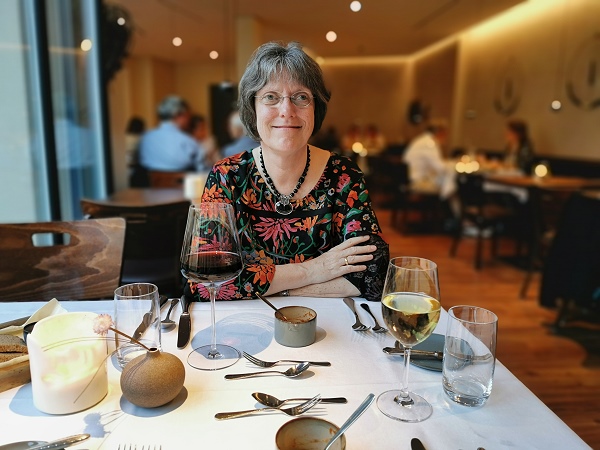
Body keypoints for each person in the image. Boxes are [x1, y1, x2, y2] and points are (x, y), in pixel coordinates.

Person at [189, 41, 389, 302]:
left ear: (316, 108)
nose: (287, 111)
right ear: (252, 108)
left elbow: (373, 275)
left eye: (301, 97)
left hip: (327, 320)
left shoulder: (344, 175)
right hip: (246, 322)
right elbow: (205, 281)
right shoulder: (227, 176)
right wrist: (314, 270)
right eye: (271, 97)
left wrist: (281, 288)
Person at [139, 95, 202, 171]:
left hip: (149, 178)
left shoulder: (145, 138)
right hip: (182, 178)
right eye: (187, 116)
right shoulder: (188, 142)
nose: (189, 120)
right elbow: (202, 169)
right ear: (179, 115)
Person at [402, 119, 455, 200]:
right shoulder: (430, 144)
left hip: (410, 177)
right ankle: (444, 205)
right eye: (445, 134)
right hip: (416, 181)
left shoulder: (421, 140)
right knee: (449, 182)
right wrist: (453, 165)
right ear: (440, 132)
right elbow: (439, 167)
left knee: (444, 181)